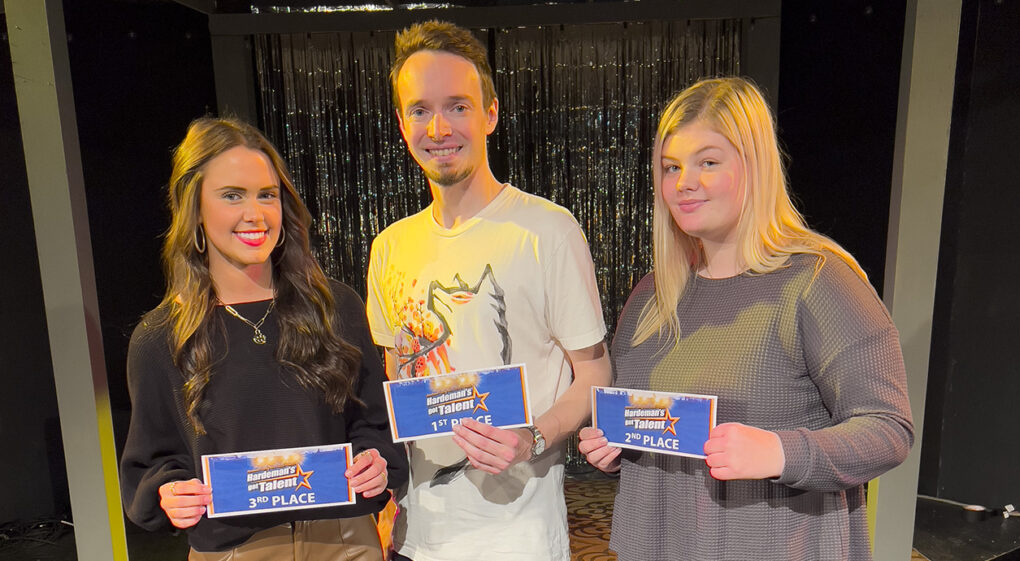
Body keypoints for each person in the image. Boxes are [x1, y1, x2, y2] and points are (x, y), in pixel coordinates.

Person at [578, 77, 914, 560]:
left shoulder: (818, 281)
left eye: (708, 162)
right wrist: (614, 450)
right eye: (671, 167)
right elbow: (649, 429)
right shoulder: (653, 295)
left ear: (754, 167)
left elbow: (888, 428)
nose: (684, 183)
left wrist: (780, 452)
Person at [366, 20, 612, 561]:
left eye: (457, 106)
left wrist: (533, 438)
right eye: (420, 110)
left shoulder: (547, 231)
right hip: (415, 536)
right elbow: (395, 380)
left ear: (491, 114)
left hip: (517, 539)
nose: (438, 128)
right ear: (402, 123)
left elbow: (595, 373)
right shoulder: (389, 247)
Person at [120, 117, 407, 560]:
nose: (254, 214)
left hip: (344, 541)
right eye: (232, 195)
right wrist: (169, 492)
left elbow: (376, 423)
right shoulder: (160, 338)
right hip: (234, 550)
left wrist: (375, 461)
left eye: (267, 195)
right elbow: (152, 462)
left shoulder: (337, 308)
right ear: (195, 208)